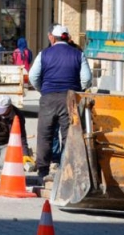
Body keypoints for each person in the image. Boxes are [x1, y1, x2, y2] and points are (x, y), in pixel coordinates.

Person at [29, 25, 92, 181]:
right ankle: (67, 168)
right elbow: (87, 79)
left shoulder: (43, 54)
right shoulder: (78, 54)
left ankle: (43, 171)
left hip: (48, 97)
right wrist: (77, 91)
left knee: (45, 134)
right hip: (69, 98)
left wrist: (42, 89)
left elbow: (33, 76)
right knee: (69, 135)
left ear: (53, 38)